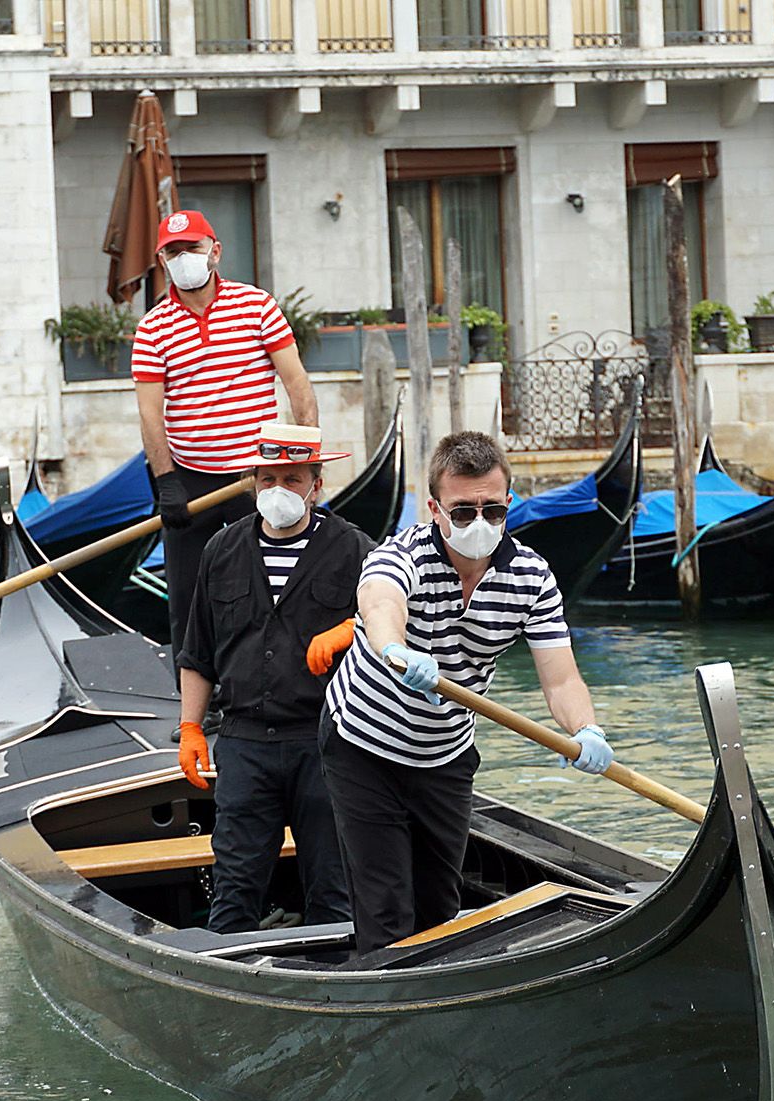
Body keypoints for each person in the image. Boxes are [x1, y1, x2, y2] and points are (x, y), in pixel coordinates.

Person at [319, 432, 615, 954]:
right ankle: (388, 1012)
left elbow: (561, 678)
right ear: (433, 508)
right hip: (363, 745)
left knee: (440, 909)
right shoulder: (401, 554)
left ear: (509, 502)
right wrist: (396, 651)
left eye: (493, 510)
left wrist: (584, 728)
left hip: (446, 751)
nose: (479, 524)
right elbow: (381, 602)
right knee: (387, 907)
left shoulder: (532, 576)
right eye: (462, 512)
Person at [175, 423, 370, 934]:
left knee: (336, 889)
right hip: (243, 744)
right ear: (252, 481)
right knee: (235, 887)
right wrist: (192, 728)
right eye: (267, 479)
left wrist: (355, 626)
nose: (278, 490)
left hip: (328, 741)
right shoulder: (221, 551)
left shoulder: (355, 551)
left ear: (316, 483)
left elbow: (396, 622)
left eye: (292, 478)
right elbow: (198, 653)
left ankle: (343, 988)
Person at [131, 209, 320, 653]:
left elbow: (297, 385)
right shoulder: (151, 329)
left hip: (261, 477)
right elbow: (149, 415)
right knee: (190, 600)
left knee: (270, 589)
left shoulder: (257, 307)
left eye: (191, 249)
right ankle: (194, 712)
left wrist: (307, 463)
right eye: (172, 252)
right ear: (162, 261)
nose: (183, 258)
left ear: (213, 251)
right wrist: (166, 483)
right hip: (191, 482)